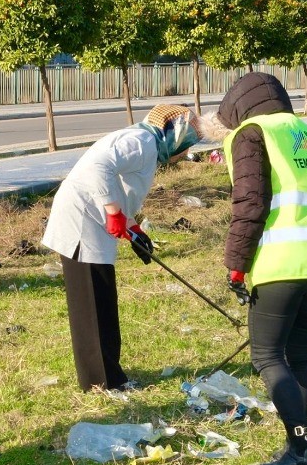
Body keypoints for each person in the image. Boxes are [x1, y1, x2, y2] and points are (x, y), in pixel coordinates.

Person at [213, 73, 307, 465]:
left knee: (267, 356)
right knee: (299, 354)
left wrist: (236, 263)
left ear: (240, 106)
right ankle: (299, 447)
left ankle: (304, 448)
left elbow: (251, 201)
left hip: (283, 263)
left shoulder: (251, 134)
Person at [40, 104, 201, 392]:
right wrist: (113, 211)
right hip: (82, 222)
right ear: (174, 132)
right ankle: (101, 382)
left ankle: (109, 375)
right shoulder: (140, 141)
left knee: (102, 299)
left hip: (94, 221)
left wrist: (132, 227)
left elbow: (118, 184)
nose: (186, 148)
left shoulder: (147, 145)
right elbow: (97, 167)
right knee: (92, 302)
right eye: (187, 138)